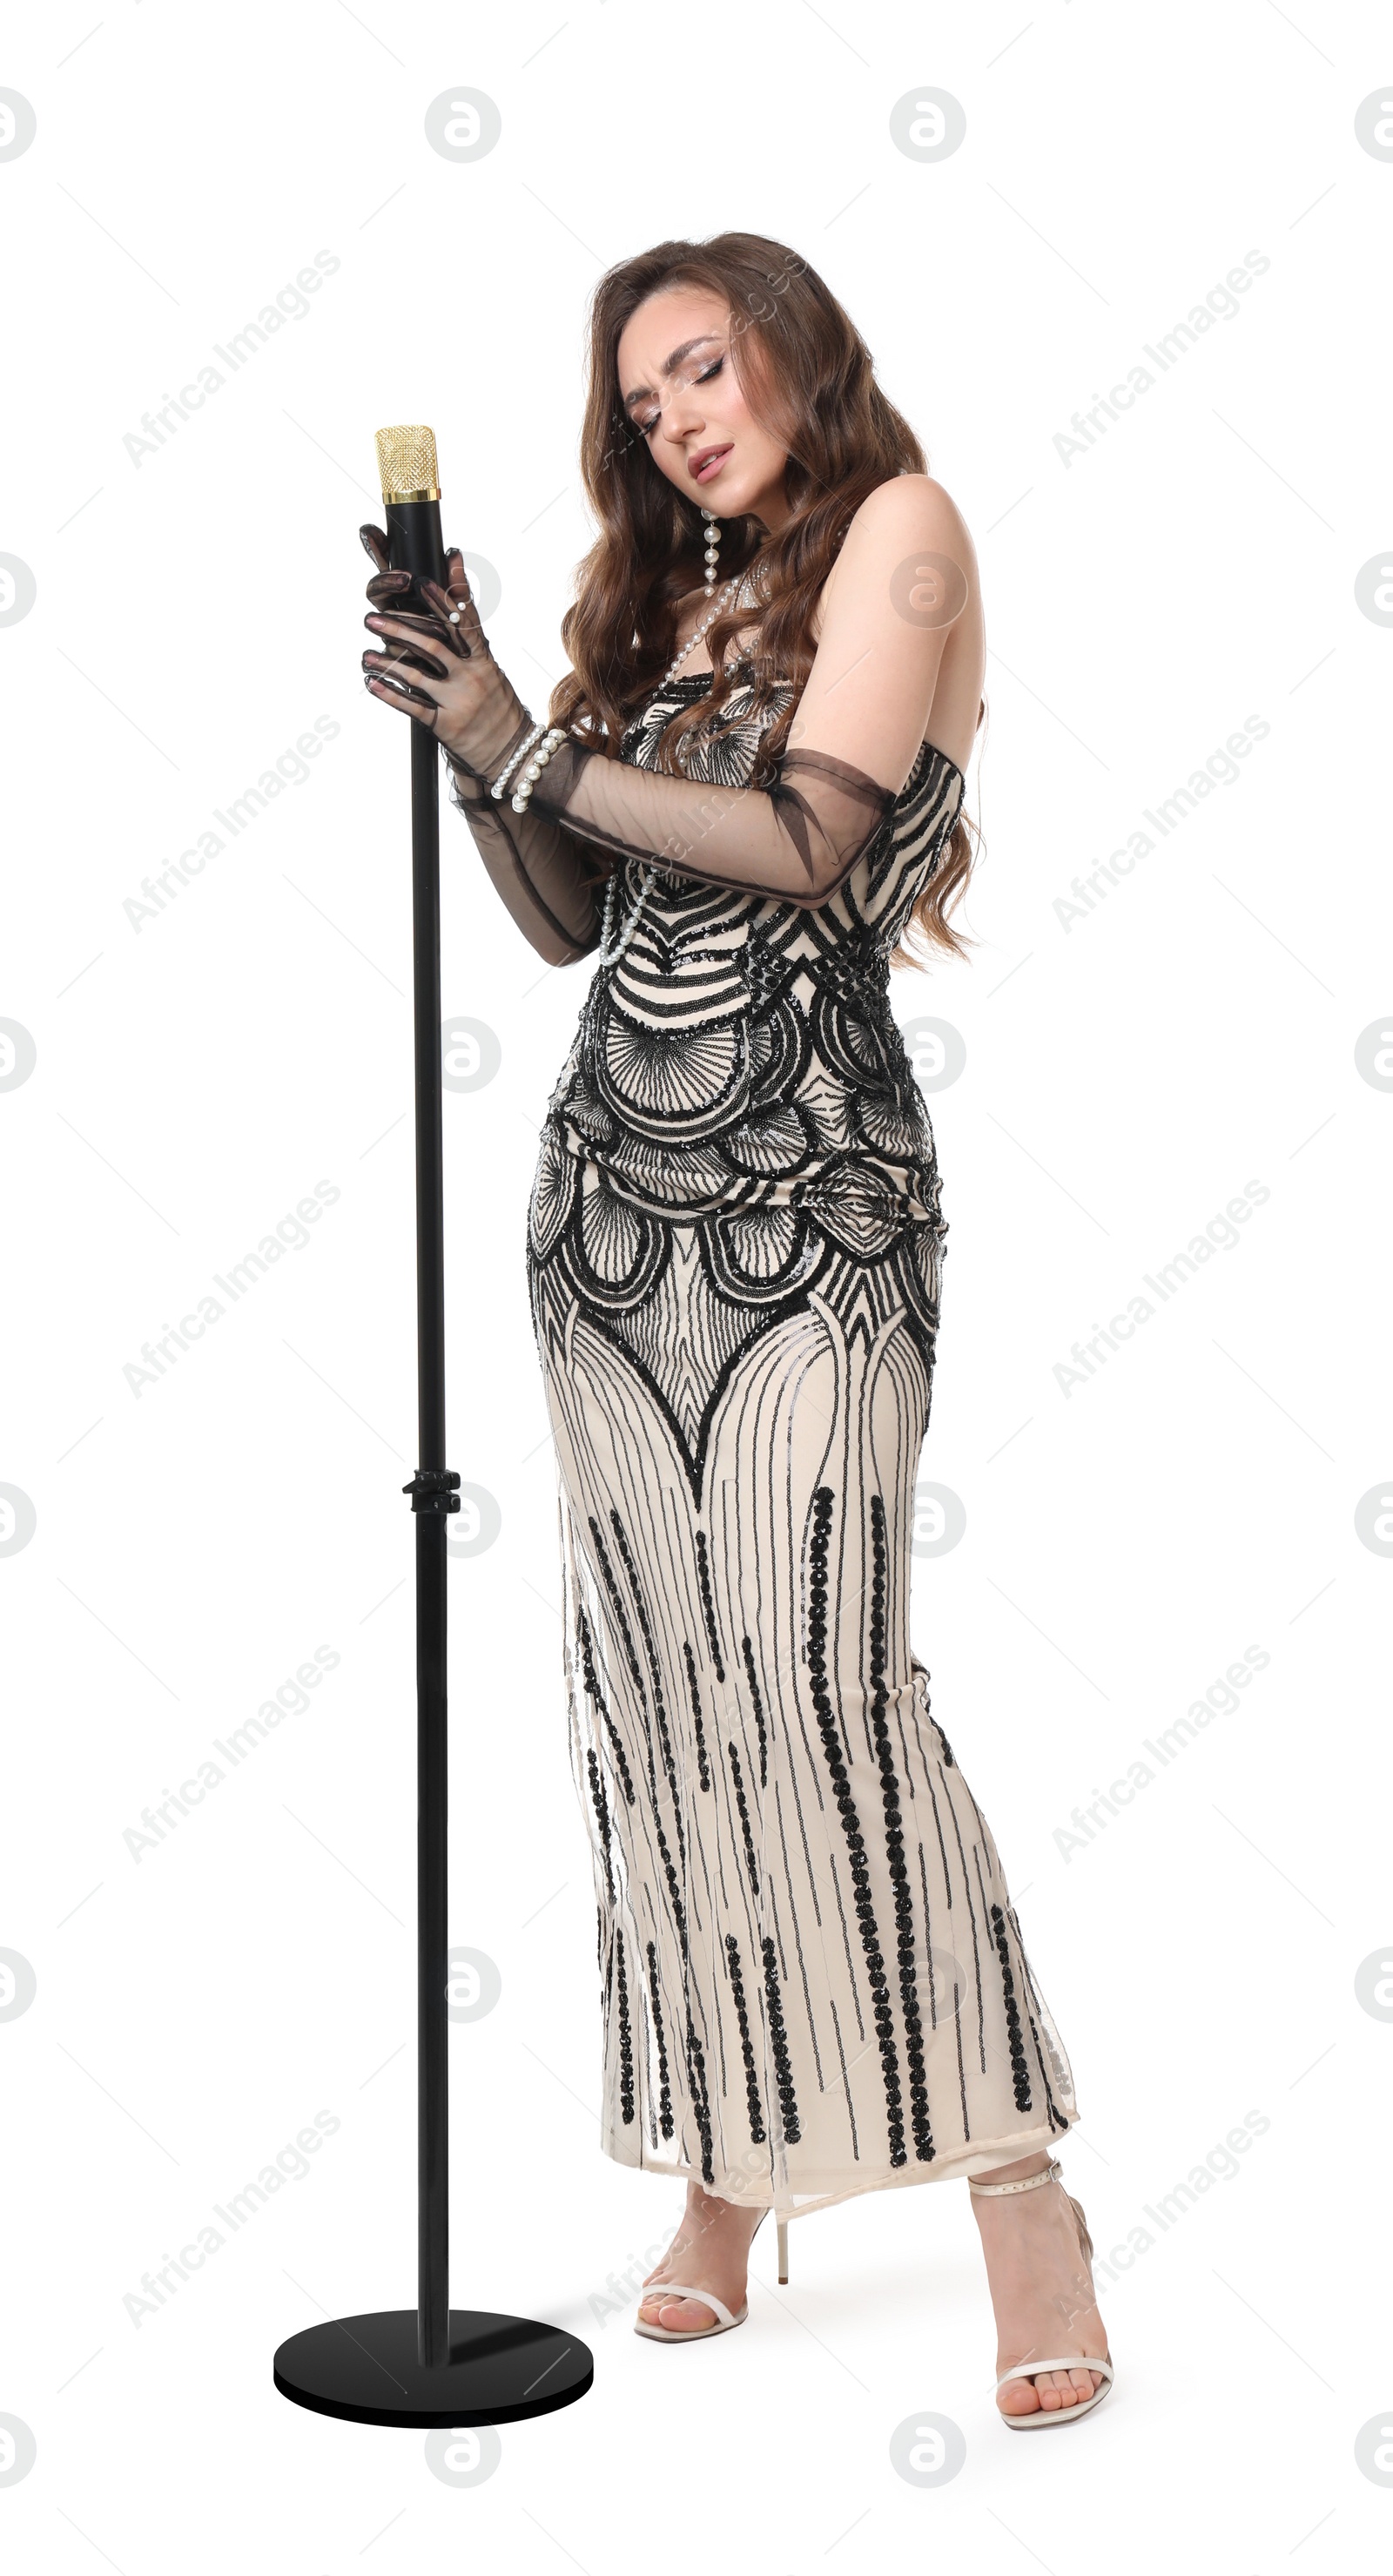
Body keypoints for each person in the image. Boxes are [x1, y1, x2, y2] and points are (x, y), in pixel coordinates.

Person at [360, 232, 1112, 2427]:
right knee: (660, 1697)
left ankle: (1013, 2189)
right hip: (605, 1221)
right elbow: (572, 920)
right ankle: (724, 2164)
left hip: (813, 1215)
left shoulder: (900, 534)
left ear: (791, 352)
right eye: (643, 396)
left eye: (704, 366)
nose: (679, 412)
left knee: (825, 1684)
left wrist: (528, 742)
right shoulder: (659, 605)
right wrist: (467, 722)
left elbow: (802, 841)